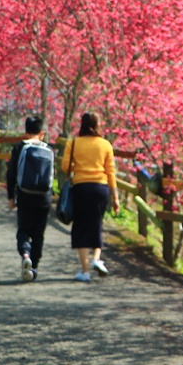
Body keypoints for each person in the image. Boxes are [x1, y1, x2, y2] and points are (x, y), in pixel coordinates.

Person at [61, 112, 121, 282]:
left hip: (81, 187)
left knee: (80, 227)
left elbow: (66, 167)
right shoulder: (105, 145)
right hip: (101, 189)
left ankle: (85, 271)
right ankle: (96, 259)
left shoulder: (73, 143)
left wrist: (79, 165)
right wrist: (115, 198)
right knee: (96, 224)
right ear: (98, 125)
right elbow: (111, 172)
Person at [5, 113, 54, 283]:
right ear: (42, 133)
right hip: (44, 197)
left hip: (25, 195)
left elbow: (11, 174)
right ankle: (34, 267)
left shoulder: (20, 147)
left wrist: (11, 196)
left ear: (26, 132)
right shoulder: (48, 149)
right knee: (39, 233)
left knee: (24, 229)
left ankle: (25, 254)